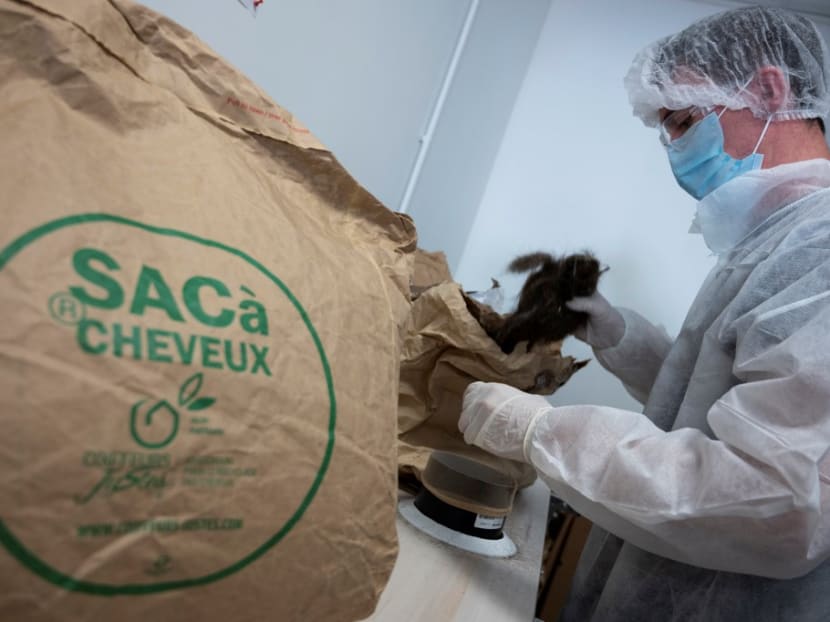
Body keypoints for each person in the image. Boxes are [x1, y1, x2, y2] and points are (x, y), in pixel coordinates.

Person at [459, 6, 830, 622]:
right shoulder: (772, 241)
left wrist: (540, 432)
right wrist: (617, 334)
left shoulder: (818, 252)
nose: (675, 151)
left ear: (769, 89)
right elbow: (716, 410)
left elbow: (778, 501)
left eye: (684, 121)